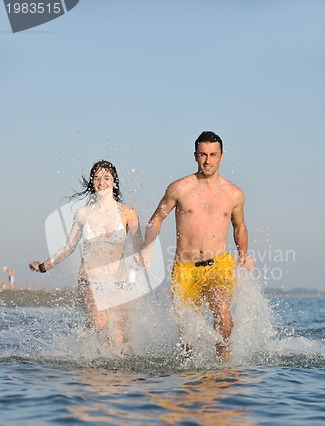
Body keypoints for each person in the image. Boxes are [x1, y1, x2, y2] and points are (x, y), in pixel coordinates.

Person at [140, 131, 254, 359]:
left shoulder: (234, 194)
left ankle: (223, 369)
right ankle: (189, 379)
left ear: (222, 156)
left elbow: (239, 227)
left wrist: (243, 254)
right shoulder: (179, 188)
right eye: (203, 154)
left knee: (223, 317)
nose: (208, 160)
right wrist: (147, 247)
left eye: (213, 155)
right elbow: (156, 219)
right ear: (195, 156)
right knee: (188, 337)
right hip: (185, 268)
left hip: (219, 265)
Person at [29, 160, 143, 347]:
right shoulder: (83, 213)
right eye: (97, 178)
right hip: (89, 279)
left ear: (114, 181)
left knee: (120, 335)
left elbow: (139, 244)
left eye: (106, 177)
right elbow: (69, 247)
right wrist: (43, 266)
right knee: (100, 320)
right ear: (92, 182)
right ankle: (83, 353)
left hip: (118, 280)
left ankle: (116, 372)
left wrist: (143, 259)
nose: (102, 181)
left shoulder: (128, 212)